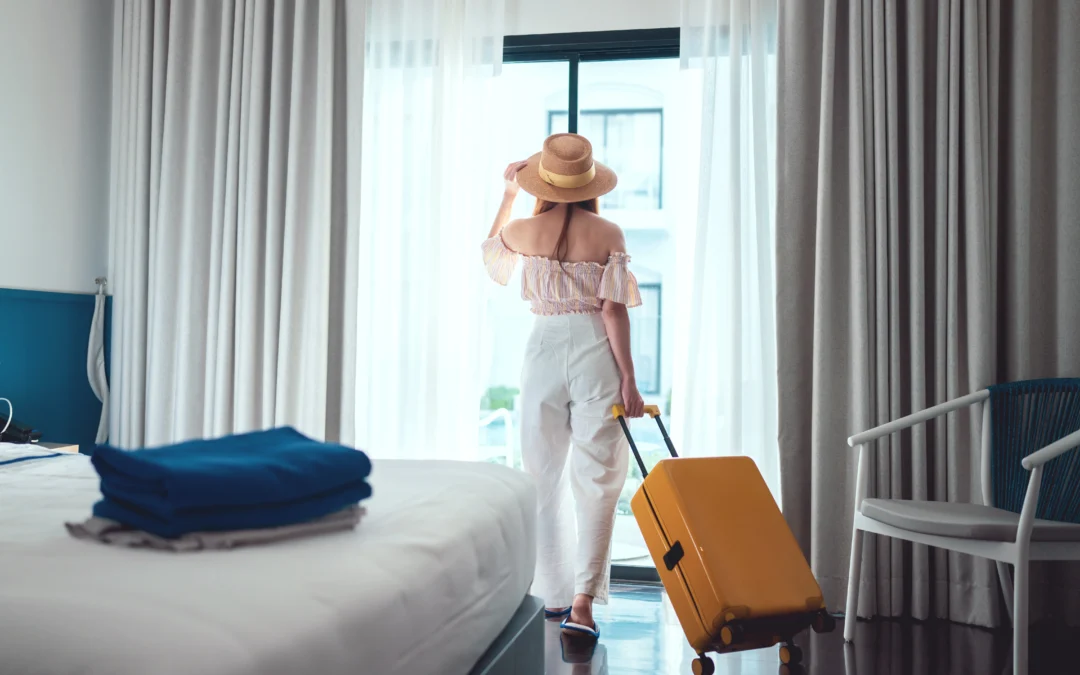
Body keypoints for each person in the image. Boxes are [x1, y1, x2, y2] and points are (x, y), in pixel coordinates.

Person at [481, 133, 645, 641]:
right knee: (598, 480)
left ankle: (551, 594)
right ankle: (582, 603)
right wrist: (629, 379)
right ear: (589, 183)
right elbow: (613, 312)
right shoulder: (609, 232)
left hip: (543, 351)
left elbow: (491, 257)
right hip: (596, 352)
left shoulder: (524, 230)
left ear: (545, 182)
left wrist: (509, 194)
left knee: (542, 475)